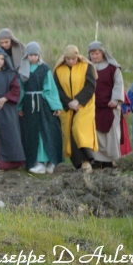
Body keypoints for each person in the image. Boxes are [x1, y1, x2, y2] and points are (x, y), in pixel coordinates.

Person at [17, 42, 63, 174]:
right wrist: (19, 106)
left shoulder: (44, 69)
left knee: (46, 131)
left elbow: (50, 89)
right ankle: (37, 161)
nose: (33, 58)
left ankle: (50, 161)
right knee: (32, 133)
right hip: (29, 106)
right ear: (27, 55)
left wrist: (55, 106)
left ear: (39, 55)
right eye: (30, 55)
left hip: (43, 105)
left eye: (35, 55)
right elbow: (20, 90)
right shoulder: (23, 69)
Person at [53, 45, 98, 174]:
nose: (71, 61)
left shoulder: (86, 67)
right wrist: (69, 103)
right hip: (67, 106)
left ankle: (88, 160)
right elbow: (57, 89)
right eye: (68, 59)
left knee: (79, 129)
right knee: (69, 133)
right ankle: (80, 164)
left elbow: (90, 86)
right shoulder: (59, 70)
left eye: (73, 59)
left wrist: (78, 100)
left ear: (78, 57)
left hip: (85, 105)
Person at [87, 41, 124, 168]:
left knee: (111, 134)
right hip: (94, 107)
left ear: (102, 53)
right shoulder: (88, 67)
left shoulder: (112, 68)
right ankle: (97, 159)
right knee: (95, 133)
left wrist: (115, 100)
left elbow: (118, 84)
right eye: (92, 54)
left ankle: (112, 160)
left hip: (109, 107)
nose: (94, 56)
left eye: (96, 53)